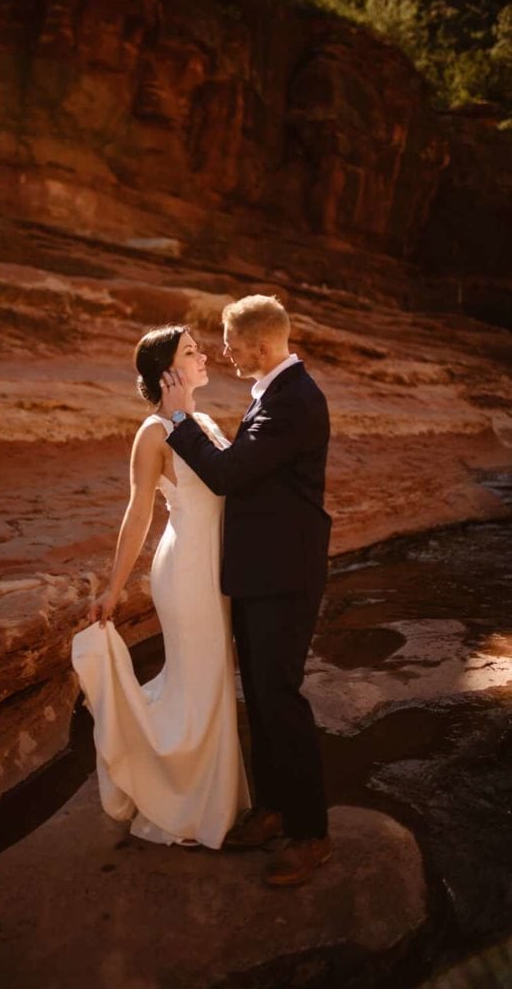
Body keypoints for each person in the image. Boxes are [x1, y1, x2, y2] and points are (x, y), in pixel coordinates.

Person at [160, 293, 332, 886]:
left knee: (281, 697)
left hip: (287, 574)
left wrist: (178, 418)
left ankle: (311, 834)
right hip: (262, 571)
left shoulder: (296, 402)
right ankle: (273, 809)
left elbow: (231, 475)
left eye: (232, 344)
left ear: (261, 345)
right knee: (260, 696)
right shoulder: (273, 394)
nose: (224, 352)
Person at [72, 325, 250, 849]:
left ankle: (209, 801)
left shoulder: (204, 421)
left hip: (216, 569)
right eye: (191, 353)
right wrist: (113, 589)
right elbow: (138, 513)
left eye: (197, 350)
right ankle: (184, 808)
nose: (203, 357)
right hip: (186, 570)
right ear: (166, 373)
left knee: (212, 683)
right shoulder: (152, 432)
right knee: (197, 686)